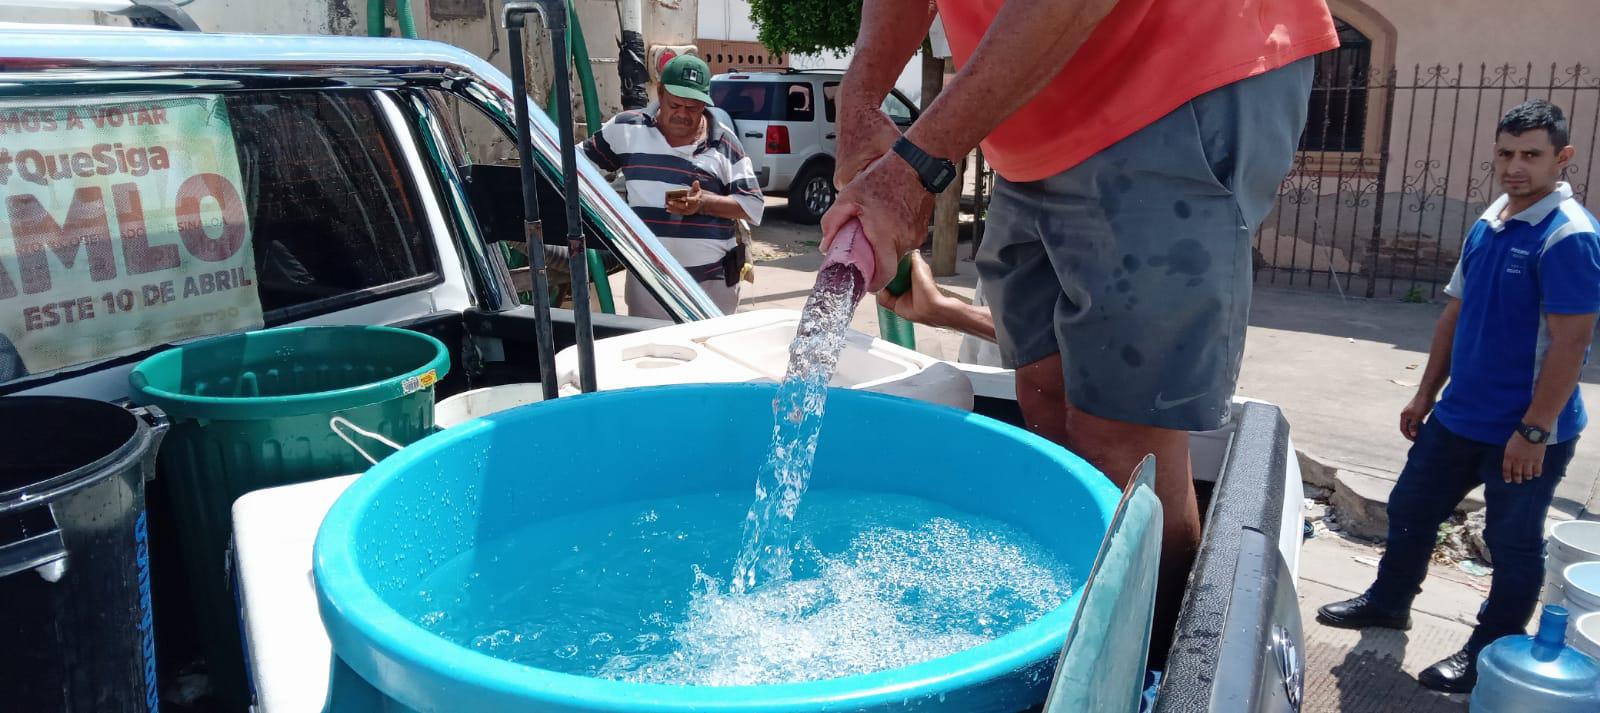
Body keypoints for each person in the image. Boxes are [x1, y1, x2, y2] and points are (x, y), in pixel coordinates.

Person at [827, 0, 1336, 659]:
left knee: (1123, 441)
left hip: (1173, 68)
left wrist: (913, 166)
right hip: (1028, 103)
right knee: (1041, 396)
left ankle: (1149, 671)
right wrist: (859, 99)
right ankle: (1072, 640)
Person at [1317, 100, 1600, 693]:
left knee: (1512, 544)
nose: (1515, 167)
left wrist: (1534, 431)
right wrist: (1425, 394)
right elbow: (1456, 312)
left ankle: (1487, 650)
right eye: (1506, 153)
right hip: (1457, 417)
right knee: (1412, 510)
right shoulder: (1493, 219)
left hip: (1524, 431)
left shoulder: (1568, 236)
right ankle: (1390, 601)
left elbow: (1571, 343)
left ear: (1562, 158)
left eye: (1531, 155)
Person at [580, 54, 763, 318]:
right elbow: (575, 165)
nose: (682, 115)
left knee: (710, 356)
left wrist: (704, 204)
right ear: (661, 92)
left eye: (693, 108)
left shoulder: (724, 141)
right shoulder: (627, 129)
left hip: (712, 285)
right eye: (675, 105)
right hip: (649, 282)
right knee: (651, 355)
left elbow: (753, 206)